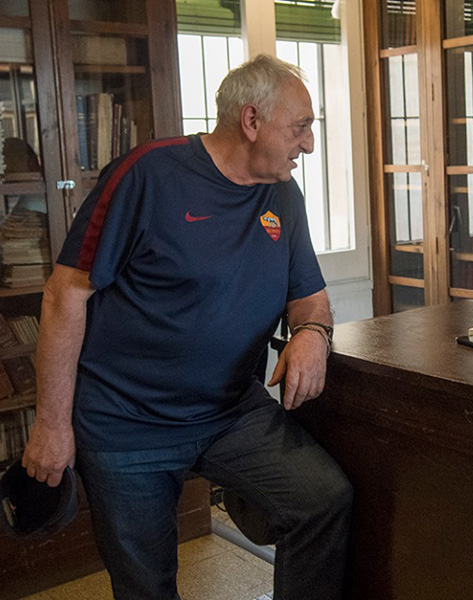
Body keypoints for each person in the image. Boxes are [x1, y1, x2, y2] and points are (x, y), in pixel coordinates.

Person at [20, 54, 352, 600]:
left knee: (321, 500)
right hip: (127, 422)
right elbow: (63, 296)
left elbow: (310, 297)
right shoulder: (147, 174)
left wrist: (313, 334)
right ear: (251, 121)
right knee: (147, 586)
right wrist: (52, 426)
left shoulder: (284, 197)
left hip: (231, 412)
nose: (309, 145)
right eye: (301, 128)